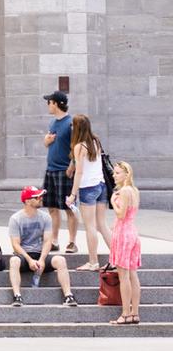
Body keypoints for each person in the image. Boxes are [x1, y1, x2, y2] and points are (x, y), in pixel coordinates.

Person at [5, 185, 74, 307]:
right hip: (24, 256)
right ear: (27, 201)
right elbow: (15, 244)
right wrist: (29, 260)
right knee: (14, 261)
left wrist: (42, 260)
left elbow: (48, 241)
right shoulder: (15, 219)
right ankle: (17, 296)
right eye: (36, 197)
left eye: (40, 196)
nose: (40, 198)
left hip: (40, 253)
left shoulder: (45, 217)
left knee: (61, 260)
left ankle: (68, 296)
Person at [68, 114, 109, 270]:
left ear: (77, 128)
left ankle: (93, 262)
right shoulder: (95, 141)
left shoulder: (79, 146)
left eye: (73, 126)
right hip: (101, 186)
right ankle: (118, 259)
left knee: (90, 226)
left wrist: (73, 194)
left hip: (88, 188)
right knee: (103, 225)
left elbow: (79, 172)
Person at [41, 90, 79, 254]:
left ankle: (72, 242)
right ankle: (54, 241)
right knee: (51, 207)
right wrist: (46, 141)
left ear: (55, 103)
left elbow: (77, 146)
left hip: (64, 171)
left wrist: (73, 165)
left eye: (49, 102)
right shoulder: (52, 123)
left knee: (69, 208)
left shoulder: (71, 123)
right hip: (51, 170)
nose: (48, 105)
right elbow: (48, 143)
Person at [107, 161, 141, 325]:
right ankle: (134, 313)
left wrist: (113, 201)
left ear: (127, 174)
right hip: (132, 232)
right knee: (132, 274)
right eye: (114, 172)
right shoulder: (134, 190)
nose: (114, 175)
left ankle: (125, 313)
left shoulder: (124, 191)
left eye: (118, 173)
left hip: (124, 235)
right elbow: (129, 215)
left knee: (124, 275)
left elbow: (121, 214)